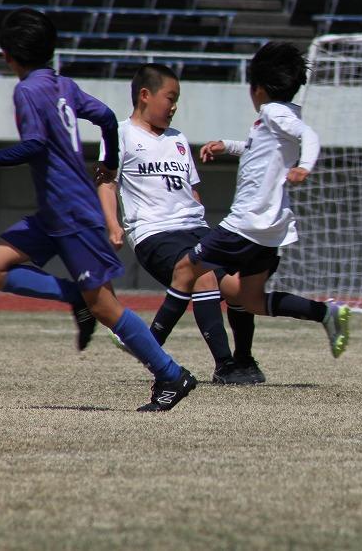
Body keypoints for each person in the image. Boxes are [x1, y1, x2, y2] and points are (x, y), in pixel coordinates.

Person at [0, 7, 196, 411]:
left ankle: (172, 375)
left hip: (73, 211)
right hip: (56, 211)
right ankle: (75, 298)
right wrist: (110, 159)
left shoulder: (27, 90)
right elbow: (106, 117)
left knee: (105, 306)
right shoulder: (63, 84)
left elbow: (36, 145)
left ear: (8, 56)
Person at [148, 42, 350, 361]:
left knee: (187, 268)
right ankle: (326, 313)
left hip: (246, 222)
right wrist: (226, 146)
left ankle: (148, 342)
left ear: (256, 89)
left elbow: (309, 136)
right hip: (269, 229)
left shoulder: (272, 113)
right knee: (251, 300)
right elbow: (257, 150)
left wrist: (303, 167)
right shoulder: (276, 117)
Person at [95, 63, 261, 385]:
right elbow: (106, 182)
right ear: (145, 95)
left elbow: (190, 188)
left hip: (194, 228)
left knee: (240, 286)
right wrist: (113, 225)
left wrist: (200, 212)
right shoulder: (119, 134)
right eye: (170, 97)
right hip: (155, 232)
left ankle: (243, 359)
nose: (174, 106)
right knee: (201, 276)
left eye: (177, 99)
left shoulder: (178, 138)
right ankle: (225, 366)